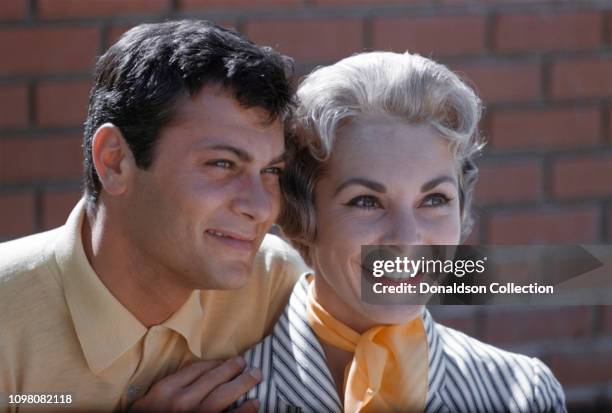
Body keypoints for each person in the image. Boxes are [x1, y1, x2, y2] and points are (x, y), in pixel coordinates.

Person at [0, 20, 310, 412]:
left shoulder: (280, 285)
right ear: (114, 161)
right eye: (222, 163)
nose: (263, 207)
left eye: (271, 172)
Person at [236, 51, 567, 412]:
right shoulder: (221, 400)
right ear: (303, 214)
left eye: (435, 199)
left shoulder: (523, 395)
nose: (407, 238)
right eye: (366, 201)